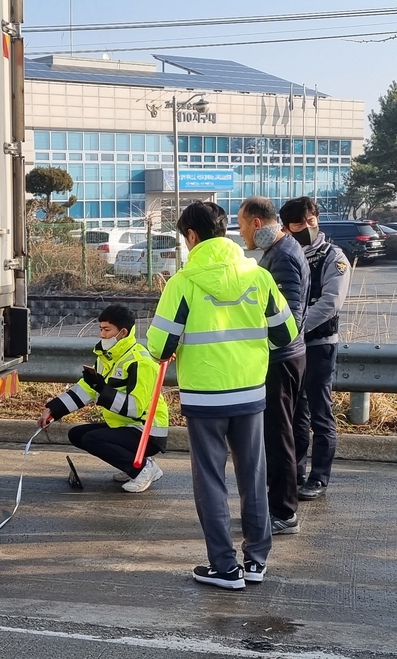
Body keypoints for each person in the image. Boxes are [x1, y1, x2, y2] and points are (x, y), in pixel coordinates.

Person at [148, 201, 298, 590]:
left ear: (192, 236)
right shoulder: (258, 275)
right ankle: (256, 563)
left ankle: (224, 568)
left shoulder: (183, 282)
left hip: (204, 398)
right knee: (253, 476)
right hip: (250, 393)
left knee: (211, 481)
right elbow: (286, 334)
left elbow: (159, 347)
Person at [37, 304, 169, 493]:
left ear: (122, 332)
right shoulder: (107, 357)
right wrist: (53, 410)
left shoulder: (140, 362)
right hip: (126, 427)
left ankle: (142, 469)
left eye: (107, 330)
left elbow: (134, 408)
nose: (102, 334)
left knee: (92, 439)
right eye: (100, 329)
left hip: (147, 431)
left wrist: (101, 389)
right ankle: (131, 465)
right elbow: (85, 390)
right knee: (77, 435)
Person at [238, 196, 309, 536]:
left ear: (256, 223)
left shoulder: (282, 257)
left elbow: (288, 319)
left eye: (241, 227)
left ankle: (283, 511)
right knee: (283, 433)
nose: (242, 236)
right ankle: (279, 503)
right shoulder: (281, 251)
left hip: (280, 359)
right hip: (286, 357)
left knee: (278, 435)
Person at [280, 196, 351, 501]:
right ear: (287, 227)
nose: (307, 226)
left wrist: (295, 326)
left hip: (320, 344)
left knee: (320, 414)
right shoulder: (286, 255)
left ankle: (319, 477)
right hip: (291, 349)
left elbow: (331, 303)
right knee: (296, 414)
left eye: (311, 220)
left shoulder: (333, 256)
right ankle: (294, 471)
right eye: (299, 223)